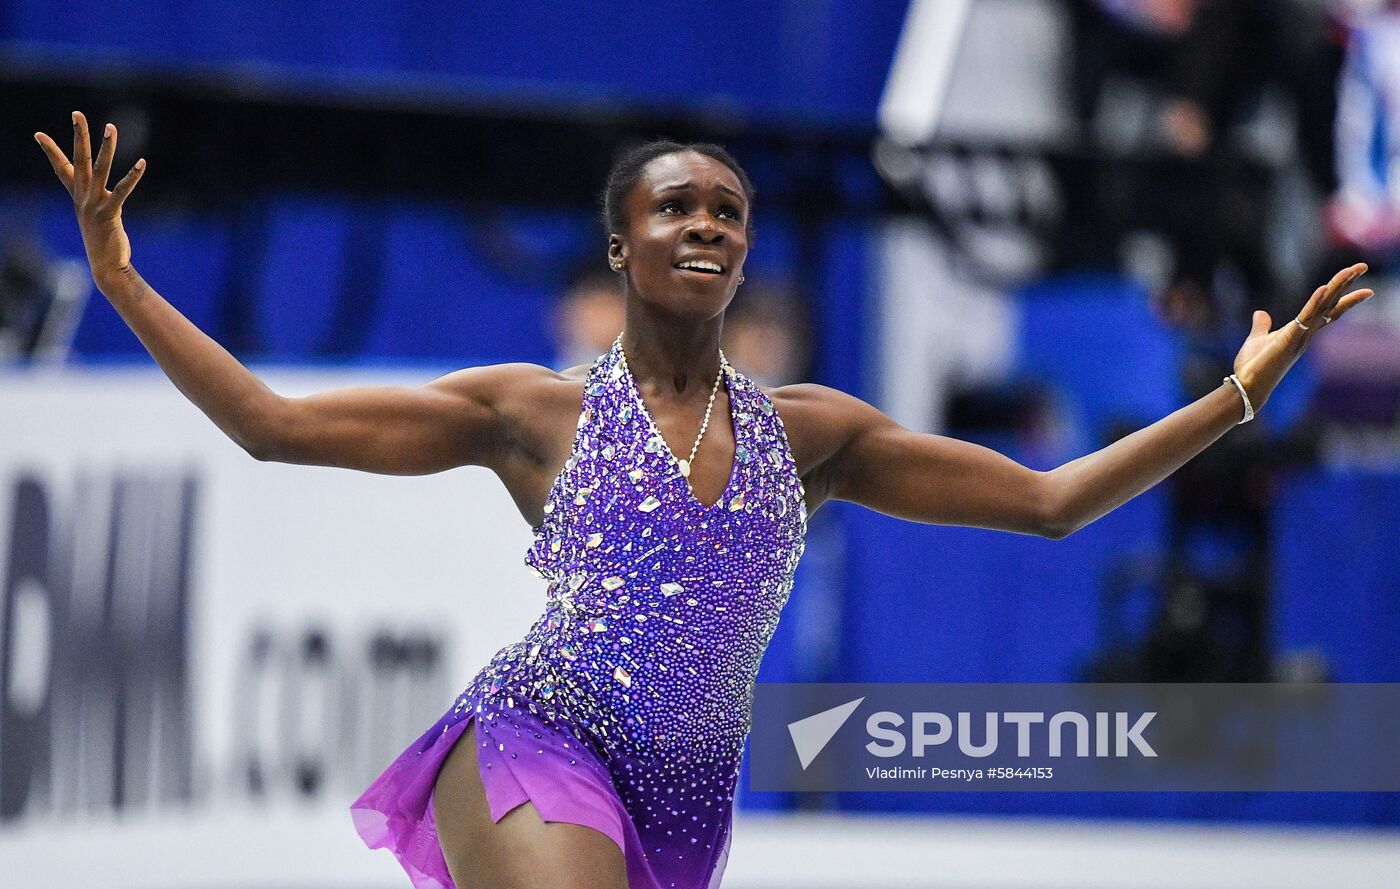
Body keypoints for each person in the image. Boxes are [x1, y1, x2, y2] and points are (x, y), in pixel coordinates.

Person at [35, 111, 1374, 889]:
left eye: (729, 211)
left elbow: (1045, 501)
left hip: (686, 805)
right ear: (622, 244)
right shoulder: (531, 411)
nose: (708, 224)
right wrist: (127, 286)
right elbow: (272, 427)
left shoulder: (813, 436)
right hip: (530, 739)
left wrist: (1235, 397)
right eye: (676, 205)